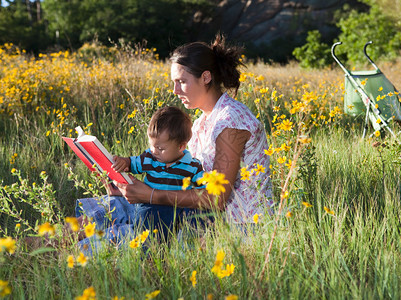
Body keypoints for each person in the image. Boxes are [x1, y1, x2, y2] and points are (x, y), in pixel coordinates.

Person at [110, 34, 273, 225]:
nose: (175, 90)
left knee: (109, 234)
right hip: (193, 216)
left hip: (237, 227)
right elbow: (182, 177)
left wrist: (152, 195)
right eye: (174, 82)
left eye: (181, 82)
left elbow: (216, 199)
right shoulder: (200, 123)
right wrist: (127, 187)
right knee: (99, 213)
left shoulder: (230, 121)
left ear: (205, 77)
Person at [75, 106, 208, 253]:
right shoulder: (150, 158)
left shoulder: (192, 166)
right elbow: (133, 163)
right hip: (146, 206)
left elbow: (204, 187)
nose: (154, 151)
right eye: (151, 146)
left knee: (160, 230)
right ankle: (145, 247)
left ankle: (154, 253)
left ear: (181, 147)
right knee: (146, 223)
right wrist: (123, 162)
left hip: (172, 209)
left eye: (160, 148)